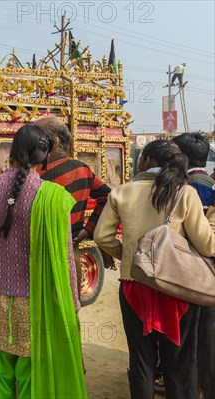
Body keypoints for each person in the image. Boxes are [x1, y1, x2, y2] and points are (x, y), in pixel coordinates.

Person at [0, 124, 86, 399]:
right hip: (35, 307)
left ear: (12, 151)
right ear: (44, 157)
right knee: (32, 384)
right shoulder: (53, 198)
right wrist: (72, 305)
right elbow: (65, 258)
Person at [94, 140, 215, 399]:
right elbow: (207, 245)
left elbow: (102, 237)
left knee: (141, 361)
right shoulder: (185, 193)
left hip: (134, 285)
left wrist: (131, 258)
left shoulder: (122, 192)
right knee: (180, 362)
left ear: (146, 159)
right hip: (177, 286)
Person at [34, 117, 114, 293]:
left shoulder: (36, 172)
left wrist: (89, 228)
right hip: (71, 255)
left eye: (37, 137)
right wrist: (88, 229)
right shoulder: (81, 169)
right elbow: (108, 196)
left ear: (53, 141)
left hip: (39, 260)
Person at [171, 132, 215, 399]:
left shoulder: (180, 187)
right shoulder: (210, 184)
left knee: (187, 338)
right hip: (209, 271)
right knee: (207, 335)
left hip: (184, 272)